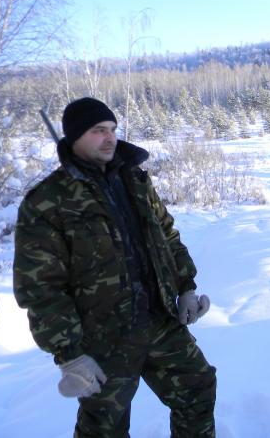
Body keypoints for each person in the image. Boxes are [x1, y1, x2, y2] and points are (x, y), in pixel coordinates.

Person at [13, 97, 217, 437]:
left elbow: (166, 236)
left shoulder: (134, 181)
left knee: (198, 389)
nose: (109, 138)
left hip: (159, 319)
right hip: (104, 337)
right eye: (98, 131)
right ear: (74, 137)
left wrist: (186, 288)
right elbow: (41, 288)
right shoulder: (47, 202)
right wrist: (69, 353)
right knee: (104, 428)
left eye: (112, 129)